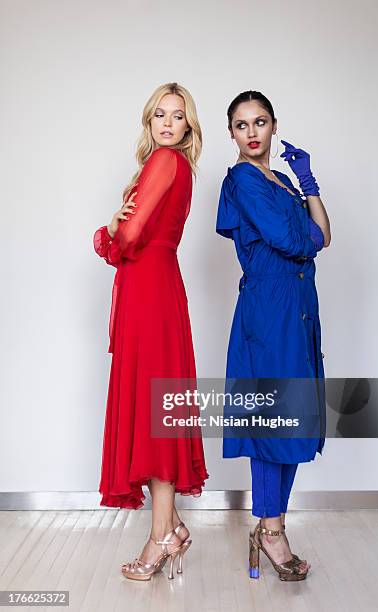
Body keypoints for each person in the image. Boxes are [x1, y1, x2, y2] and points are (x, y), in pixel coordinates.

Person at [93, 82, 209, 581]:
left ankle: (161, 535)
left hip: (149, 290)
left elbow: (131, 234)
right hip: (160, 288)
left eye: (176, 116)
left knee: (154, 411)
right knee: (158, 410)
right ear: (149, 121)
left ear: (188, 126)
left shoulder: (165, 162)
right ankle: (172, 526)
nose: (166, 123)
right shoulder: (178, 167)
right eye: (159, 114)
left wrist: (109, 232)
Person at [216, 90, 330, 581]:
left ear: (273, 125)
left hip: (299, 306)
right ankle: (271, 529)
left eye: (260, 122)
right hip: (267, 309)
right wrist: (308, 239)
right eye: (242, 125)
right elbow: (293, 241)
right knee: (271, 421)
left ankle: (271, 524)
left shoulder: (282, 181)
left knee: (296, 420)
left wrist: (308, 182)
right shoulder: (242, 179)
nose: (253, 132)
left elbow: (323, 233)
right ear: (232, 134)